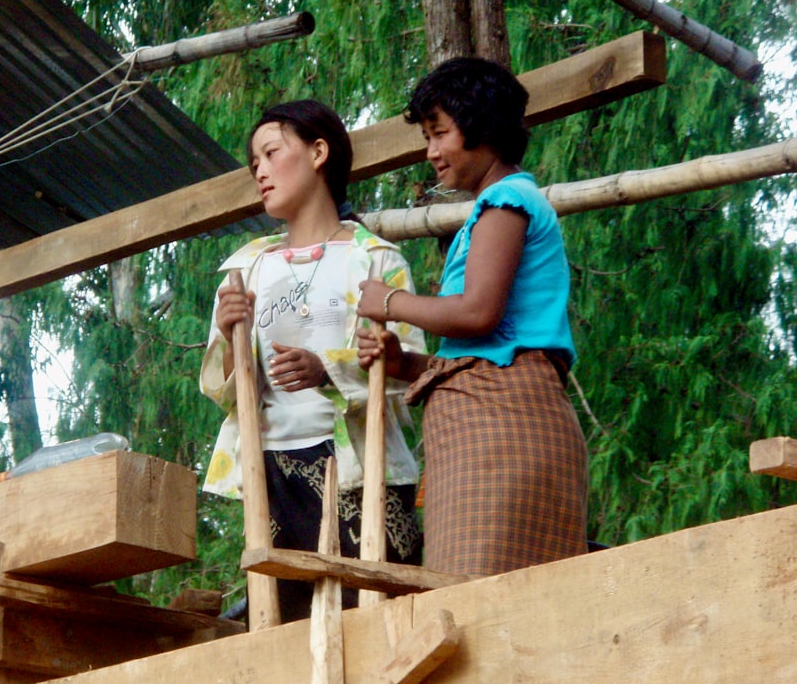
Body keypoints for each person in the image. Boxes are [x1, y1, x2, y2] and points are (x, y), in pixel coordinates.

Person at [357, 57, 588, 578]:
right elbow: (487, 349)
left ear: (483, 125)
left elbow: (479, 313)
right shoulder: (499, 206)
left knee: (474, 603)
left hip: (503, 430)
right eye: (426, 137)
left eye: (440, 133)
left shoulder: (506, 199)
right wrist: (406, 362)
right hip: (504, 417)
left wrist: (388, 303)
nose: (431, 153)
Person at [200, 99, 425, 623]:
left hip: (359, 470)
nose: (259, 169)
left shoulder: (377, 260)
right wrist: (231, 337)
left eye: (271, 152)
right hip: (270, 470)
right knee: (285, 622)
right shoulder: (245, 269)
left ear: (319, 152)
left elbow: (412, 368)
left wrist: (329, 370)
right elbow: (222, 390)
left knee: (372, 610)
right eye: (253, 161)